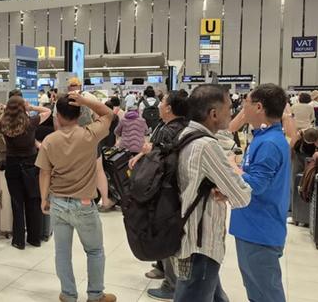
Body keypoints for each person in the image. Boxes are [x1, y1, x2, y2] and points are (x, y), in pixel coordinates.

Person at [173, 85, 252, 302]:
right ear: (214, 114)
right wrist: (231, 167)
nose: (232, 113)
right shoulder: (207, 146)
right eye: (229, 108)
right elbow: (242, 196)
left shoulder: (185, 134)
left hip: (187, 235)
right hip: (202, 244)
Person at [37, 92, 117, 302]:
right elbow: (108, 114)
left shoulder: (49, 141)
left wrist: (43, 198)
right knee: (94, 250)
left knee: (62, 253)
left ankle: (68, 294)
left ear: (57, 116)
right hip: (84, 203)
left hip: (58, 202)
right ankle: (95, 295)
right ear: (80, 114)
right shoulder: (90, 134)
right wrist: (86, 101)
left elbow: (44, 173)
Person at [230, 84, 291, 302]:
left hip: (259, 229)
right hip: (252, 225)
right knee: (256, 290)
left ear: (258, 107)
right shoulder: (263, 138)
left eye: (245, 103)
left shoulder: (269, 144)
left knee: (266, 293)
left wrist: (232, 167)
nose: (242, 108)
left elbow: (256, 184)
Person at [129, 91, 189, 301]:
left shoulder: (171, 130)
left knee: (164, 230)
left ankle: (171, 284)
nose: (159, 105)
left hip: (165, 189)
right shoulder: (176, 126)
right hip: (169, 187)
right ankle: (163, 268)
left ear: (169, 108)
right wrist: (143, 153)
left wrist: (147, 154)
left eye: (163, 102)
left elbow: (161, 158)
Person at [0, 96, 51, 249]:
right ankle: (34, 238)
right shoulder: (31, 122)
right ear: (23, 107)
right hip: (30, 165)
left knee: (17, 203)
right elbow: (48, 111)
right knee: (33, 201)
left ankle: (18, 240)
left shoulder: (3, 124)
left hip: (12, 165)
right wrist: (32, 108)